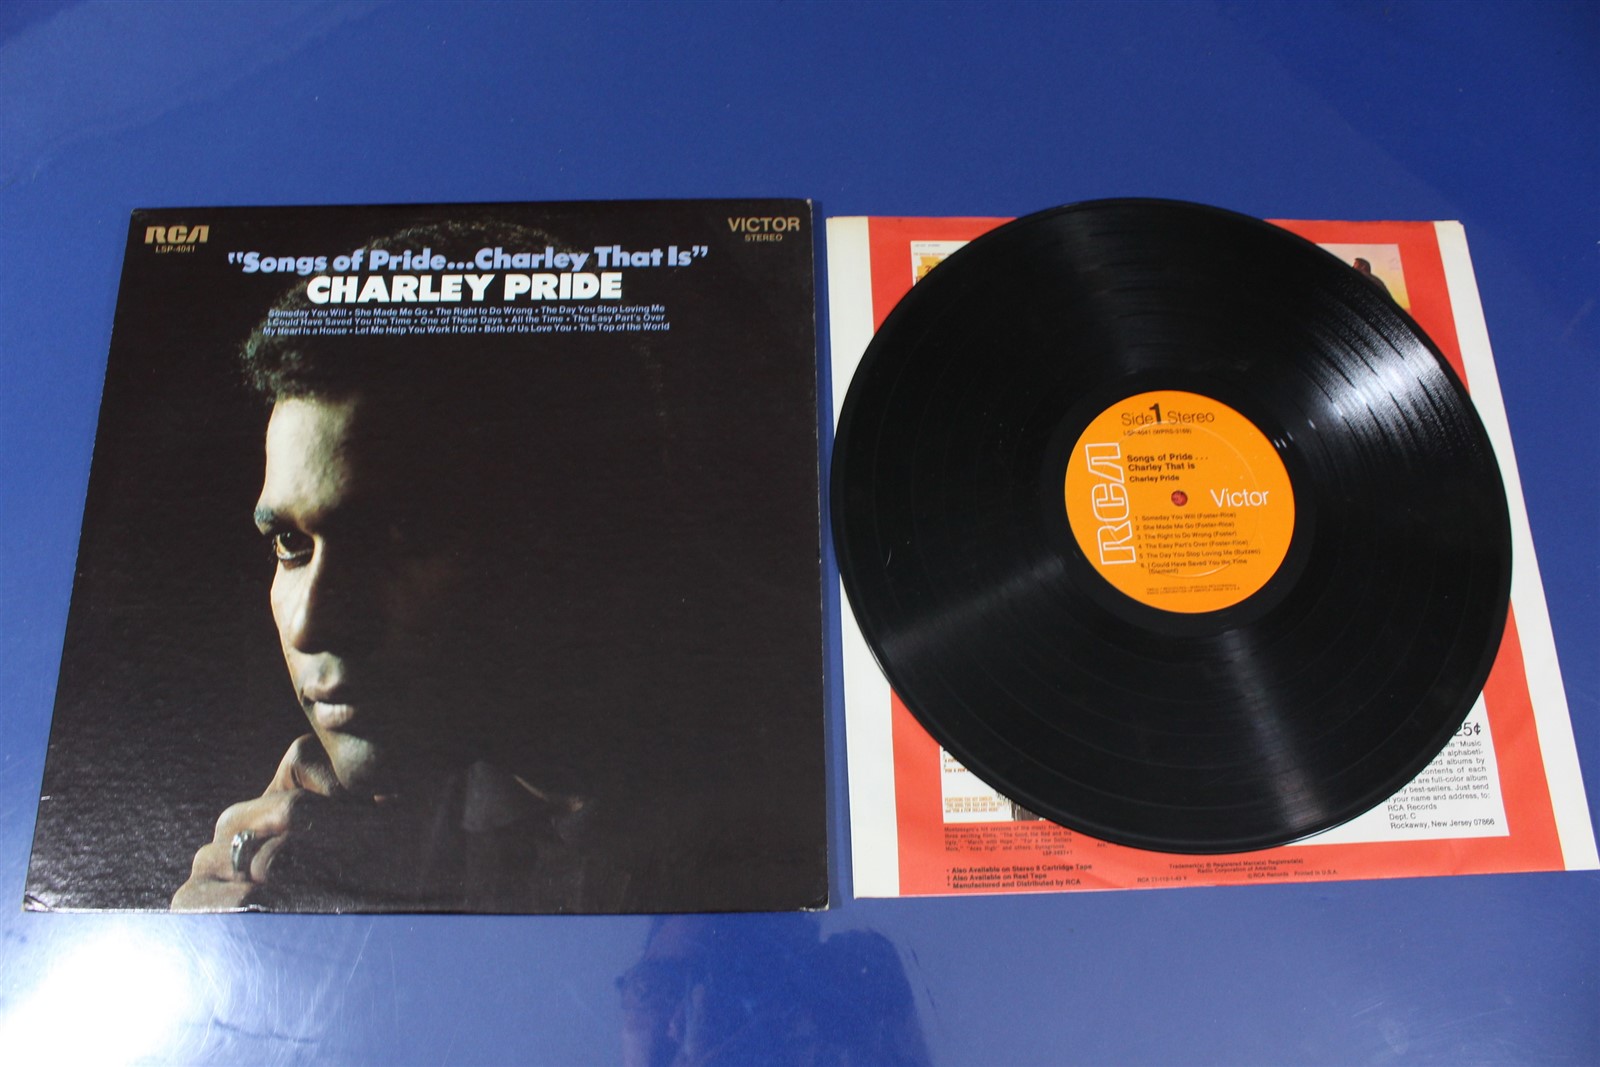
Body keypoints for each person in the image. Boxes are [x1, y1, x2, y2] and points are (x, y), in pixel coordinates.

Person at [171, 222, 669, 912]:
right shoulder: (369, 844)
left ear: (576, 527)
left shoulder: (762, 831)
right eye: (290, 543)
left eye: (400, 535)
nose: (312, 623)